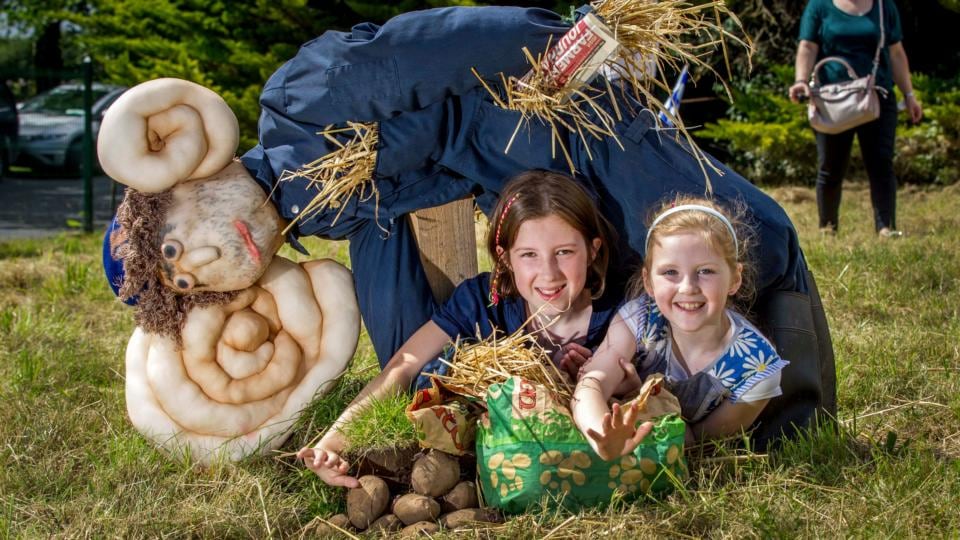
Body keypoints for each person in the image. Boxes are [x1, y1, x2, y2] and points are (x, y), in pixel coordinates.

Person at [102, 5, 834, 456]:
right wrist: (406, 394)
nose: (207, 259)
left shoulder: (296, 108)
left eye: (175, 245)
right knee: (654, 294)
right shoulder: (320, 213)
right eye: (190, 281)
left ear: (184, 187)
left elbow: (429, 49)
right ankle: (701, 429)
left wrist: (555, 49)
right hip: (533, 204)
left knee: (748, 241)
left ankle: (796, 401)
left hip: (562, 126)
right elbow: (396, 300)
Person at [297, 169, 625, 487]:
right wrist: (332, 443)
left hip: (563, 464)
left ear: (592, 250)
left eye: (564, 252)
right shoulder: (483, 302)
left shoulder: (619, 314)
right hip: (485, 446)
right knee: (433, 371)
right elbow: (405, 364)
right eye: (529, 255)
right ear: (506, 258)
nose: (549, 272)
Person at [572, 198, 789, 459]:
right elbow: (591, 385)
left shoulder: (757, 370)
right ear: (648, 281)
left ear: (735, 278)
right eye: (670, 272)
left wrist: (642, 398)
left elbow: (700, 446)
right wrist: (602, 436)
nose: (688, 287)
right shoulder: (639, 317)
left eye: (706, 271)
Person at [788, 0, 923, 237]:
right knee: (830, 167)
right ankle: (828, 228)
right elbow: (807, 46)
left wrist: (909, 95)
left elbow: (896, 52)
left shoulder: (884, 6)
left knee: (881, 163)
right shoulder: (819, 6)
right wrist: (801, 80)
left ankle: (885, 227)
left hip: (877, 98)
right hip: (833, 101)